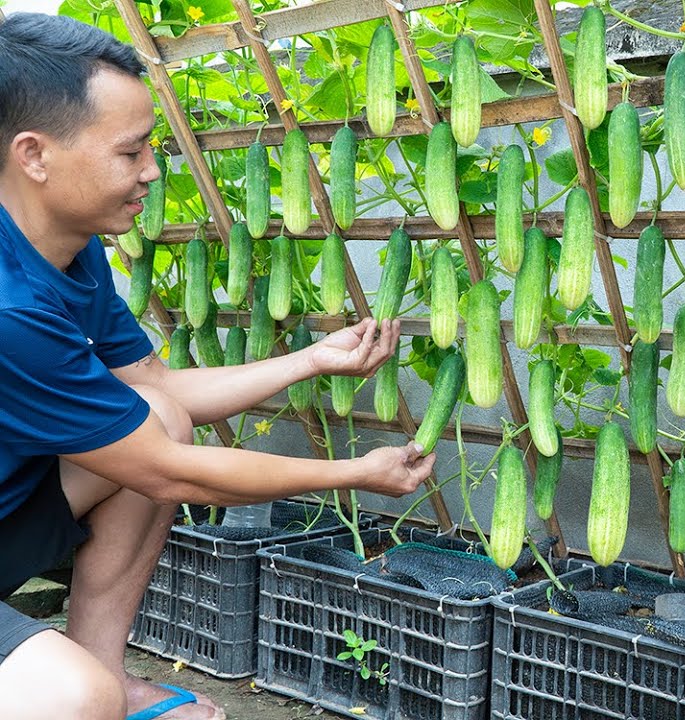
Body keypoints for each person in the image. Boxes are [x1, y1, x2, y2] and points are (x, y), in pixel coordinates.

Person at [0, 13, 435, 720]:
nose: (150, 171)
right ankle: (85, 683)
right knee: (73, 701)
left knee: (158, 416)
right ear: (35, 154)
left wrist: (312, 360)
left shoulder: (68, 249)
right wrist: (356, 475)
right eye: (131, 151)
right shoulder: (9, 306)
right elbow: (167, 471)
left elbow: (162, 390)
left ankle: (106, 666)